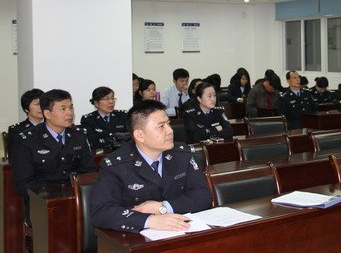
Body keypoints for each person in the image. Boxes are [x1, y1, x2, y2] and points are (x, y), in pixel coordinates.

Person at [91, 100, 212, 233]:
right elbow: (101, 212)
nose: (170, 130)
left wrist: (163, 207)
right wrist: (150, 220)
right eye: (161, 126)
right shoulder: (116, 165)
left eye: (168, 123)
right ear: (139, 135)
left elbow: (203, 195)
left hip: (180, 230)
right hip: (136, 237)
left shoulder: (181, 154)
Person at [12, 89, 96, 224]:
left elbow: (89, 172)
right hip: (43, 204)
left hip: (76, 201)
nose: (69, 113)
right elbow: (24, 184)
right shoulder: (27, 140)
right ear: (47, 114)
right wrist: (58, 197)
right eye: (63, 109)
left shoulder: (78, 136)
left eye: (71, 107)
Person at [6, 89, 45, 158]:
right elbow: (15, 157)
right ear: (26, 109)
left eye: (43, 104)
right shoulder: (17, 130)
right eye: (37, 104)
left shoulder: (53, 126)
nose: (41, 107)